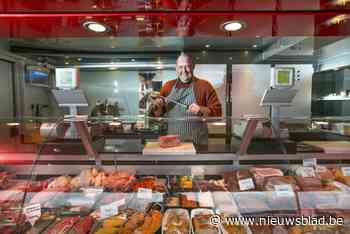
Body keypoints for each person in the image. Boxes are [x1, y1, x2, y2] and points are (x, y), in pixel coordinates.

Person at [150, 52, 222, 145]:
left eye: (187, 66)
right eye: (180, 67)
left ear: (193, 67)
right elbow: (158, 115)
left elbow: (218, 114)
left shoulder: (204, 86)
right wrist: (157, 107)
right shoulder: (167, 86)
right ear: (176, 68)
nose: (184, 70)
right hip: (173, 144)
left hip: (198, 144)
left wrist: (201, 110)